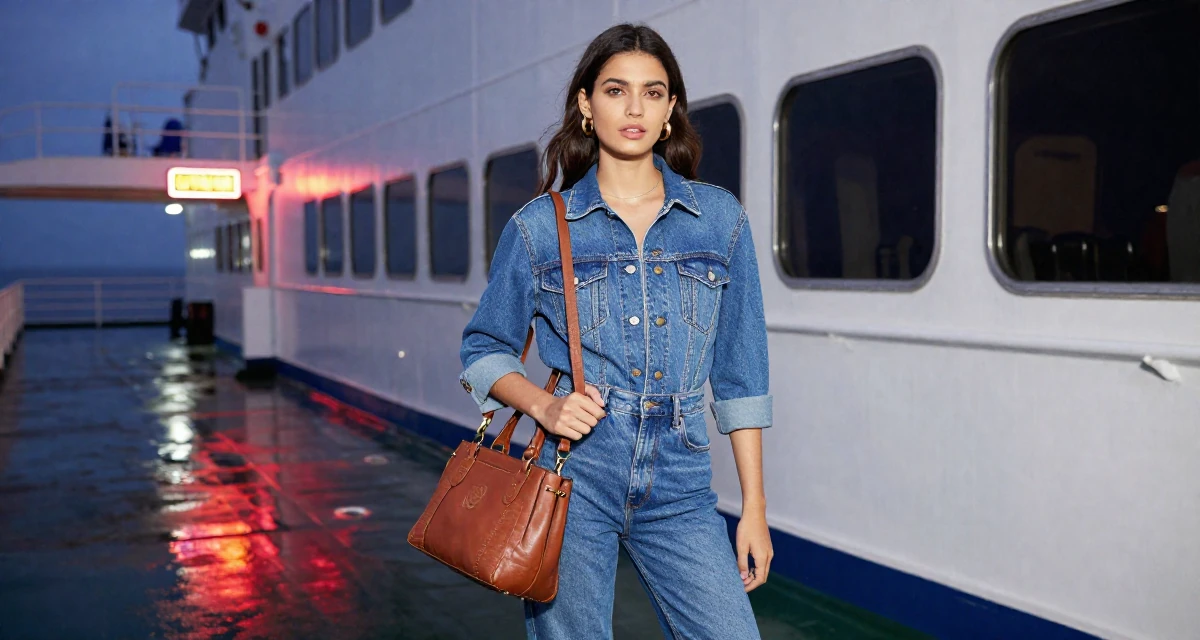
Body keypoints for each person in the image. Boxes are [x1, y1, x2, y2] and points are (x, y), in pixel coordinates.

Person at [458, 23, 772, 639]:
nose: (634, 108)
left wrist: (754, 507)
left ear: (670, 110)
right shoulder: (539, 228)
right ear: (585, 105)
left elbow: (741, 375)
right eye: (615, 90)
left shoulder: (719, 221)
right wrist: (546, 405)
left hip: (681, 476)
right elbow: (482, 350)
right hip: (573, 472)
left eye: (653, 93)